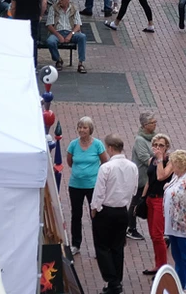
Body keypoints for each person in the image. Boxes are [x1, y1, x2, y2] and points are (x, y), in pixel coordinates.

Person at [91, 135, 139, 294]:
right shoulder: (132, 167)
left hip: (106, 210)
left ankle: (112, 281)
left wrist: (94, 208)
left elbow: (99, 191)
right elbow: (134, 189)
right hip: (122, 211)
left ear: (110, 148)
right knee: (118, 247)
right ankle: (116, 280)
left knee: (102, 246)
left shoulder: (106, 168)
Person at [66, 117, 109, 254]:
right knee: (76, 215)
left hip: (92, 186)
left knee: (96, 215)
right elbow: (69, 162)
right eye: (80, 127)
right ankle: (75, 244)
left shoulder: (97, 144)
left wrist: (93, 175)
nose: (82, 130)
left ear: (90, 129)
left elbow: (104, 162)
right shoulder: (73, 144)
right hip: (75, 185)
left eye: (85, 127)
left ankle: (99, 247)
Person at [164, 149, 186, 288]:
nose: (171, 166)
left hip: (183, 226)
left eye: (173, 163)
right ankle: (179, 285)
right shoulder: (177, 176)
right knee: (177, 257)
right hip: (173, 225)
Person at [143, 132, 174, 274]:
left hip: (161, 200)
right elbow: (149, 180)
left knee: (158, 235)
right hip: (150, 199)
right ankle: (157, 265)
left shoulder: (170, 161)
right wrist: (142, 198)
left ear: (166, 147)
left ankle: (162, 267)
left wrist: (161, 159)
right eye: (155, 145)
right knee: (152, 234)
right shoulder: (151, 160)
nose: (157, 148)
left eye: (161, 145)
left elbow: (161, 176)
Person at [11, 0, 50, 69]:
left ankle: (21, 62)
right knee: (33, 41)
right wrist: (41, 14)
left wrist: (14, 18)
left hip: (20, 19)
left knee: (20, 41)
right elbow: (44, 2)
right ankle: (33, 64)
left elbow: (13, 7)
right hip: (33, 17)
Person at [131, 112, 159, 242]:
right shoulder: (140, 140)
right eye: (152, 122)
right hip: (142, 178)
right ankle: (130, 228)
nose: (154, 124)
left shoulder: (154, 137)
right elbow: (144, 158)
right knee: (136, 202)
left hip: (151, 178)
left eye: (155, 122)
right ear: (144, 125)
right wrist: (160, 162)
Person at [45, 0, 88, 72]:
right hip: (58, 31)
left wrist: (71, 34)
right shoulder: (53, 8)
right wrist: (58, 35)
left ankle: (80, 63)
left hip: (70, 32)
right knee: (50, 41)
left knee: (82, 37)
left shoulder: (74, 9)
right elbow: (49, 25)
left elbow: (78, 25)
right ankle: (58, 59)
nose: (59, 1)